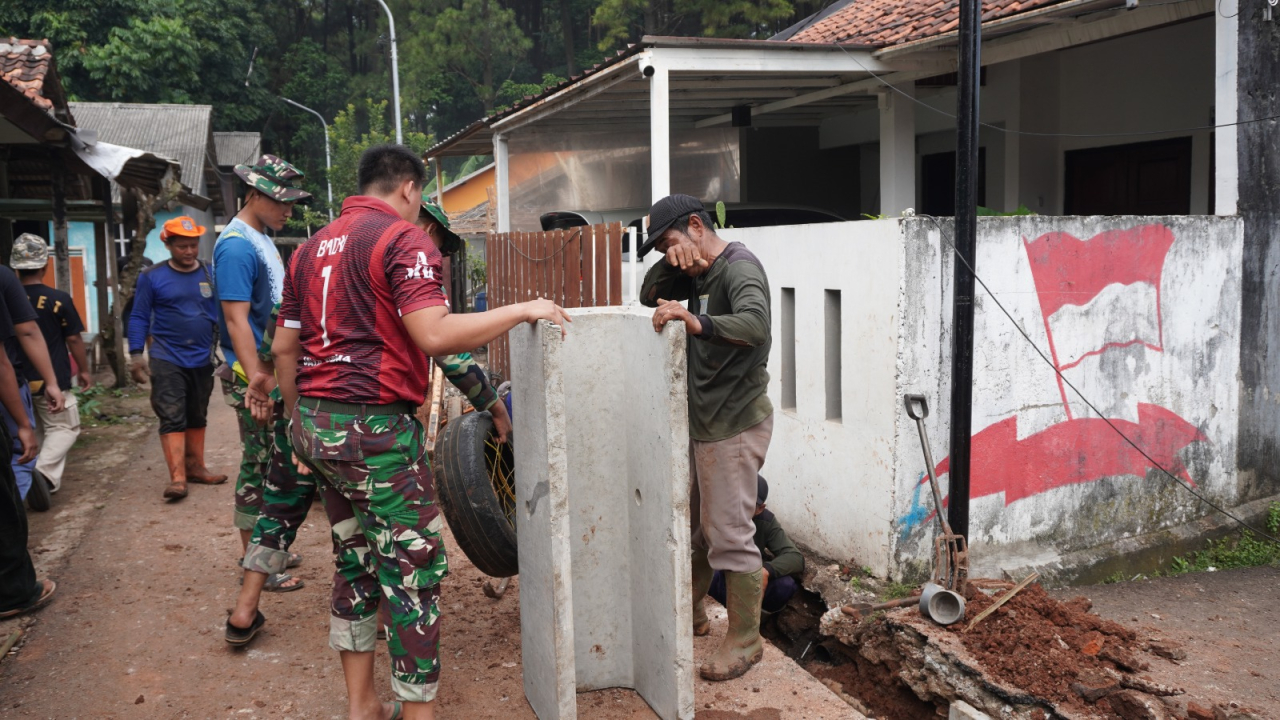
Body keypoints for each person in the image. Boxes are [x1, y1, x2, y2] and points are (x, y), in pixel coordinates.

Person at [272, 144, 568, 720]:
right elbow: (435, 336)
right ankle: (419, 715)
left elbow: (285, 348)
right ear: (409, 188)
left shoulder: (307, 250)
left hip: (316, 425)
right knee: (412, 570)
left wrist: (299, 428)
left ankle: (361, 705)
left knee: (354, 558)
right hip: (374, 431)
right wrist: (523, 308)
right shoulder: (402, 240)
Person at [226, 196, 512, 645]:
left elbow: (280, 337)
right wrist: (492, 405)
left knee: (279, 507)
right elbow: (447, 351)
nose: (437, 255)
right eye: (440, 244)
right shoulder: (398, 263)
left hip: (302, 409)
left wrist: (277, 396)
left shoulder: (324, 254)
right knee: (375, 523)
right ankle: (383, 619)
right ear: (426, 226)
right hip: (359, 420)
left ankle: (245, 609)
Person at [639, 193, 774, 682]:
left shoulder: (739, 269)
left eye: (670, 243)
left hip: (733, 424)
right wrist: (675, 267)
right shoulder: (697, 271)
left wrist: (697, 321)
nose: (666, 254)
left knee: (728, 535)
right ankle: (693, 612)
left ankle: (746, 640)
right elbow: (645, 295)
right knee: (698, 528)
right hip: (707, 423)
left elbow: (756, 325)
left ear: (697, 225)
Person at [214, 155, 310, 555]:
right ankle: (254, 559)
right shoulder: (236, 247)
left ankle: (269, 550)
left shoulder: (262, 238)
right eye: (280, 202)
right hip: (251, 375)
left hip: (270, 371)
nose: (288, 211)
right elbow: (236, 321)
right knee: (258, 466)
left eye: (291, 203)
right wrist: (258, 379)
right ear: (253, 194)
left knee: (275, 463)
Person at [128, 217, 225, 500]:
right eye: (182, 246)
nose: (189, 251)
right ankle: (178, 477)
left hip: (202, 356)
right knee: (172, 414)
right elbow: (138, 316)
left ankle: (196, 467)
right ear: (168, 244)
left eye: (193, 245)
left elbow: (225, 310)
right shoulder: (151, 276)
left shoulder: (210, 273)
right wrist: (136, 355)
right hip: (166, 356)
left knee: (198, 412)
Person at [9, 234, 92, 505]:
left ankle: (33, 482)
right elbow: (74, 338)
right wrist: (84, 369)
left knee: (36, 433)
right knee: (65, 428)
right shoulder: (58, 299)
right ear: (45, 265)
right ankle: (42, 475)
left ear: (16, 268)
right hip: (51, 378)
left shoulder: (8, 299)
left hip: (15, 381)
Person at [0, 263, 54, 620]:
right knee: (5, 501)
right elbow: (23, 336)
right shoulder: (2, 278)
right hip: (9, 393)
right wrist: (22, 422)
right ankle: (14, 591)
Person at [0, 255, 65, 504]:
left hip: (15, 379)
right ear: (46, 266)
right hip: (9, 386)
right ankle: (10, 528)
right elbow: (27, 331)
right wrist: (52, 382)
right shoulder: (4, 278)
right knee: (21, 452)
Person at [707, 476, 803, 615]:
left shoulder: (765, 521)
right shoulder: (713, 512)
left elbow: (795, 557)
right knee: (710, 574)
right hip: (721, 579)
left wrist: (766, 571)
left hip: (749, 581)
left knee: (785, 585)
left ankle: (760, 623)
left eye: (747, 504)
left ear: (760, 508)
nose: (739, 508)